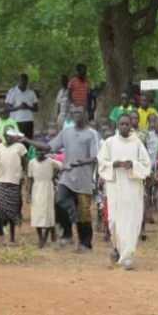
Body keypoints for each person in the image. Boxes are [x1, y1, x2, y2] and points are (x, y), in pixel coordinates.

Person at [26, 106, 100, 251]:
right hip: (67, 175)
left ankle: (85, 243)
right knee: (60, 200)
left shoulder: (92, 134)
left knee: (84, 212)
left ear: (85, 113)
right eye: (74, 112)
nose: (77, 114)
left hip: (83, 178)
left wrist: (83, 162)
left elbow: (96, 157)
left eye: (79, 111)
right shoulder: (66, 132)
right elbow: (48, 147)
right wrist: (26, 140)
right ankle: (67, 233)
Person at [97, 114, 152, 270]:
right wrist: (113, 164)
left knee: (130, 222)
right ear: (117, 125)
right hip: (115, 186)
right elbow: (101, 162)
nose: (124, 127)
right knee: (114, 221)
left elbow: (146, 164)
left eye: (127, 124)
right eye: (121, 124)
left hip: (132, 188)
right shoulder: (109, 143)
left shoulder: (137, 143)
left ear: (131, 125)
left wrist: (132, 165)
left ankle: (127, 256)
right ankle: (116, 247)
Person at [0, 128, 28, 245]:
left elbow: (24, 161)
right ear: (3, 135)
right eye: (7, 135)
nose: (9, 138)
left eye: (12, 136)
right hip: (1, 180)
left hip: (14, 181)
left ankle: (12, 238)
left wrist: (22, 175)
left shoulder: (20, 147)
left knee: (12, 211)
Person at [27, 147, 62, 248]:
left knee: (48, 213)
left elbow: (62, 167)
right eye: (38, 150)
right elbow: (29, 178)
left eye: (42, 150)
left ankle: (45, 238)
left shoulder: (50, 161)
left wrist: (53, 175)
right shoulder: (32, 162)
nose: (40, 152)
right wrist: (28, 193)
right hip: (36, 188)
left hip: (48, 188)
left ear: (46, 152)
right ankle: (40, 237)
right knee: (37, 213)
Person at [5, 73, 39, 140]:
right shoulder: (12, 92)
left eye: (25, 81)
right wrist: (19, 107)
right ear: (18, 81)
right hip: (17, 121)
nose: (23, 82)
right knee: (18, 141)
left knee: (28, 141)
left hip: (29, 121)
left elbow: (36, 108)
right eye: (22, 80)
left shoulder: (31, 93)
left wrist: (28, 107)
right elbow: (8, 108)